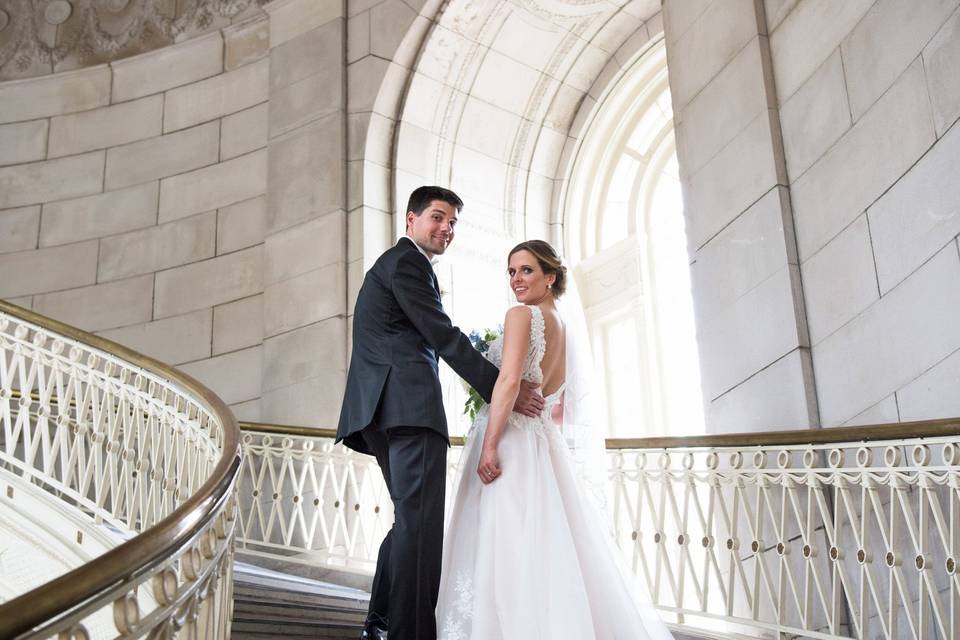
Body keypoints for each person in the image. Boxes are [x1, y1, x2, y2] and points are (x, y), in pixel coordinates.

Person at [436, 240, 675, 640]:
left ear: (551, 276)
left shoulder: (521, 316)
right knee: (545, 552)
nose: (516, 279)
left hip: (511, 443)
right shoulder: (562, 325)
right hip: (542, 448)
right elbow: (549, 395)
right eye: (511, 271)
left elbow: (510, 382)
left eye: (526, 270)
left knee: (504, 550)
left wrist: (490, 445)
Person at [336, 186, 545, 640]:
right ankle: (409, 632)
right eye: (437, 217)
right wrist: (499, 388)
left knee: (410, 520)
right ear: (410, 219)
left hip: (381, 412)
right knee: (422, 526)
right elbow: (442, 333)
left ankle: (381, 623)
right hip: (408, 411)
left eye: (452, 223)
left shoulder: (391, 267)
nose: (446, 229)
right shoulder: (406, 262)